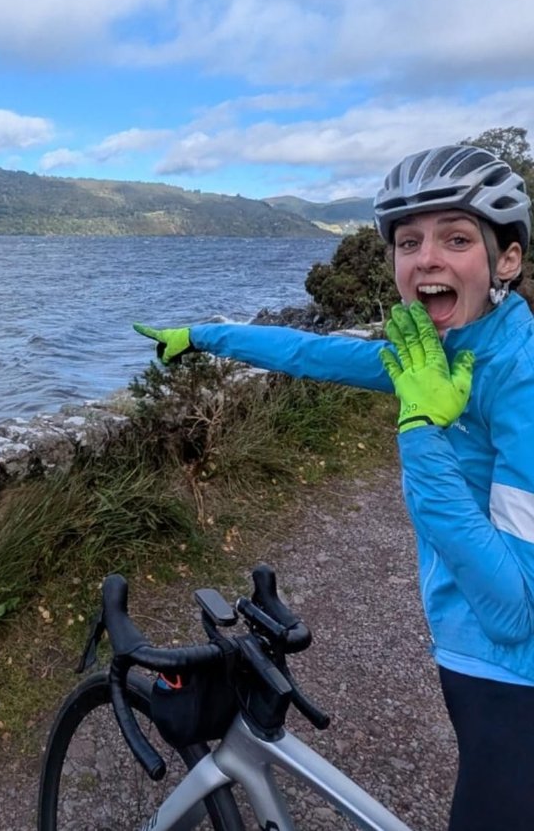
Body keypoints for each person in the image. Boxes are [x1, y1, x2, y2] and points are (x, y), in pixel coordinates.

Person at [134, 144, 534, 831]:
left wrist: (419, 427)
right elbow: (311, 352)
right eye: (408, 242)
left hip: (510, 675)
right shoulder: (447, 350)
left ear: (507, 261)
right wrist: (202, 335)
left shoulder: (520, 378)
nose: (426, 258)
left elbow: (511, 611)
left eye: (457, 238)